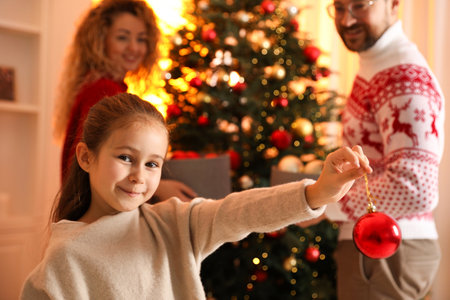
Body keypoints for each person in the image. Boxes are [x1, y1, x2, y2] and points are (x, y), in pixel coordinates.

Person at [21, 93, 372, 299]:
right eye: (125, 157)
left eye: (153, 164)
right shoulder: (62, 261)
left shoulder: (174, 224)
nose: (138, 177)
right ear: (85, 157)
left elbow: (241, 211)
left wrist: (317, 191)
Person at [324, 0, 444, 299]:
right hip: (380, 250)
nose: (347, 20)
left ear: (393, 4)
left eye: (360, 6)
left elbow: (416, 187)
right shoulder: (379, 64)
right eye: (339, 8)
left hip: (386, 250)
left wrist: (325, 203)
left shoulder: (401, 76)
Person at [52, 0, 195, 201]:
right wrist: (160, 187)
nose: (134, 48)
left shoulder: (101, 85)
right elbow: (91, 167)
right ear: (100, 41)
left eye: (141, 39)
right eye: (122, 38)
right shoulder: (105, 91)